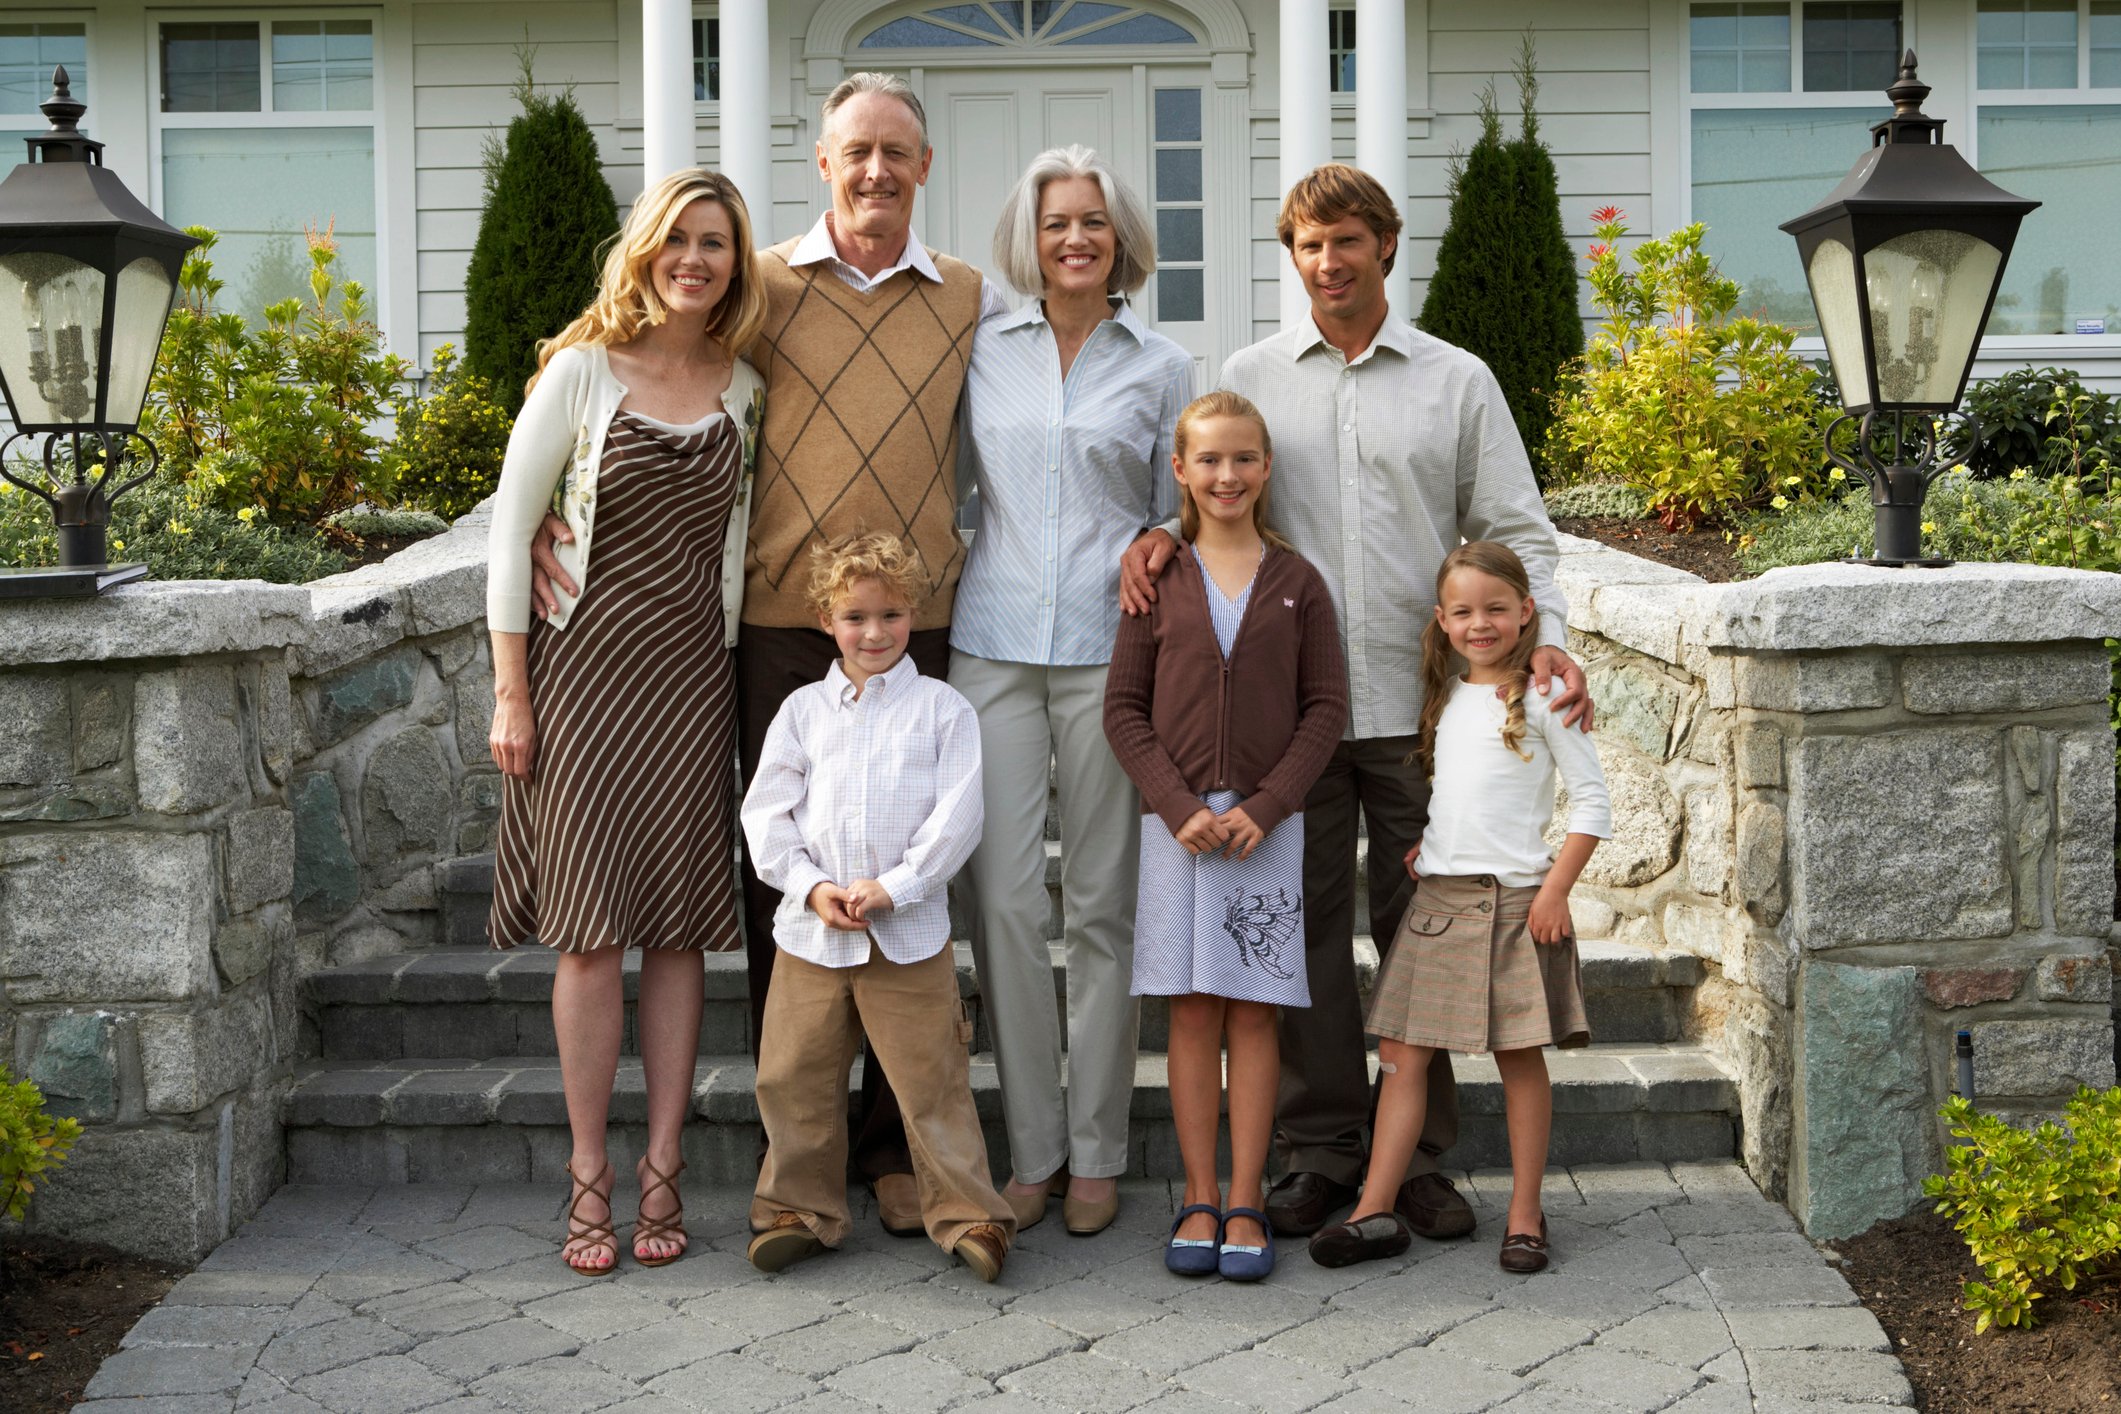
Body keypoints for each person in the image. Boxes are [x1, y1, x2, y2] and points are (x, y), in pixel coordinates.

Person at [529, 73, 1009, 1236]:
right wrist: (554, 502)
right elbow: (626, 352)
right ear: (824, 161)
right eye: (857, 151)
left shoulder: (968, 297)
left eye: (898, 151)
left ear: (926, 167)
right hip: (779, 625)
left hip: (915, 622)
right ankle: (799, 1146)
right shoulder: (762, 286)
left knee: (911, 873)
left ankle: (899, 1144)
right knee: (776, 880)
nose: (876, 171)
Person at [1120, 164, 1593, 1242]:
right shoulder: (1248, 377)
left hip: (1433, 716)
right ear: (1290, 258)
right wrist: (1152, 537)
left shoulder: (1456, 380)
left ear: (1386, 245)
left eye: (1346, 241)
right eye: (1307, 246)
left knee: (1428, 936)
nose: (1327, 263)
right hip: (1287, 726)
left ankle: (1418, 1157)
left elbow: (1519, 530)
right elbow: (1198, 506)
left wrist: (1548, 644)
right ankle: (1323, 1148)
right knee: (1306, 941)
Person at [485, 168, 767, 1274]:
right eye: (679, 239)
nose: (696, 258)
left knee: (683, 926)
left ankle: (665, 1169)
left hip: (695, 680)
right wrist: (512, 691)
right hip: (584, 676)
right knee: (594, 928)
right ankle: (589, 1174)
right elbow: (515, 536)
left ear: (737, 263)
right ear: (645, 248)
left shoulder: (746, 384)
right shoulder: (578, 374)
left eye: (718, 243)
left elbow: (742, 547)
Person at [952, 145, 1193, 1236]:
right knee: (1002, 901)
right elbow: (943, 477)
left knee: (1101, 904)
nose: (1076, 240)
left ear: (1119, 234)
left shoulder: (1162, 362)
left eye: (1093, 221)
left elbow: (1176, 505)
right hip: (992, 643)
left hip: (1110, 650)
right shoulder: (981, 348)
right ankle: (1033, 1148)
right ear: (1030, 237)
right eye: (1056, 224)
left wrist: (1162, 537)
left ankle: (1097, 1150)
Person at [1310, 542, 1609, 1272]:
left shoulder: (1543, 697)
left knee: (1518, 1059)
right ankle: (1373, 1209)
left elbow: (1592, 806)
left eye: (1496, 609)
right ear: (1442, 621)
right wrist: (1432, 847)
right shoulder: (1444, 696)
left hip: (1515, 906)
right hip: (1437, 903)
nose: (1481, 623)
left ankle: (1524, 1214)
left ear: (1525, 612)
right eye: (1465, 611)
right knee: (1403, 1056)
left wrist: (1554, 892)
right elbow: (1458, 789)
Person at [1105, 391, 1347, 1281]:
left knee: (1253, 1015)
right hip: (1176, 834)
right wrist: (1176, 807)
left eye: (1243, 458)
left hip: (1262, 832)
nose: (1226, 475)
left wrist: (1269, 803)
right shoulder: (1155, 579)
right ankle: (1197, 1194)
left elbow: (1325, 710)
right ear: (1179, 471)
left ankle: (1247, 1197)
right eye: (1207, 460)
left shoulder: (1297, 583)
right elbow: (1123, 711)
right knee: (1191, 1012)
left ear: (1266, 467)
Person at [738, 532, 1015, 1280]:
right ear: (827, 619)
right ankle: (797, 1209)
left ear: (913, 615)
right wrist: (810, 886)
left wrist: (898, 885)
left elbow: (958, 816)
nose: (873, 633)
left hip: (908, 936)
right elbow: (767, 813)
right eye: (854, 617)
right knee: (794, 1077)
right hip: (810, 936)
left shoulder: (943, 710)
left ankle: (969, 1214)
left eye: (889, 615)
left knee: (931, 1081)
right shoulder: (801, 712)